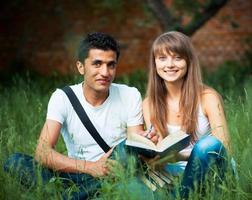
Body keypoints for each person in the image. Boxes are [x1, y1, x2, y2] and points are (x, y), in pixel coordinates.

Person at [4, 32, 156, 199]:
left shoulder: (129, 94)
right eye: (97, 64)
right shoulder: (63, 97)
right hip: (75, 173)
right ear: (81, 67)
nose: (105, 72)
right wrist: (91, 167)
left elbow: (134, 148)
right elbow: (43, 152)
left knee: (127, 152)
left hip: (112, 174)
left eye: (111, 65)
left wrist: (145, 143)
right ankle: (80, 195)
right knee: (15, 161)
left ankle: (69, 196)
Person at [142, 31, 230, 198]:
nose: (170, 64)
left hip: (213, 171)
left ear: (188, 61)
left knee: (207, 145)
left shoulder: (208, 97)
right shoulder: (149, 104)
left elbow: (223, 147)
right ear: (155, 63)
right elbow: (161, 152)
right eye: (162, 58)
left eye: (177, 58)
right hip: (173, 172)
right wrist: (152, 155)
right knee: (131, 180)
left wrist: (180, 156)